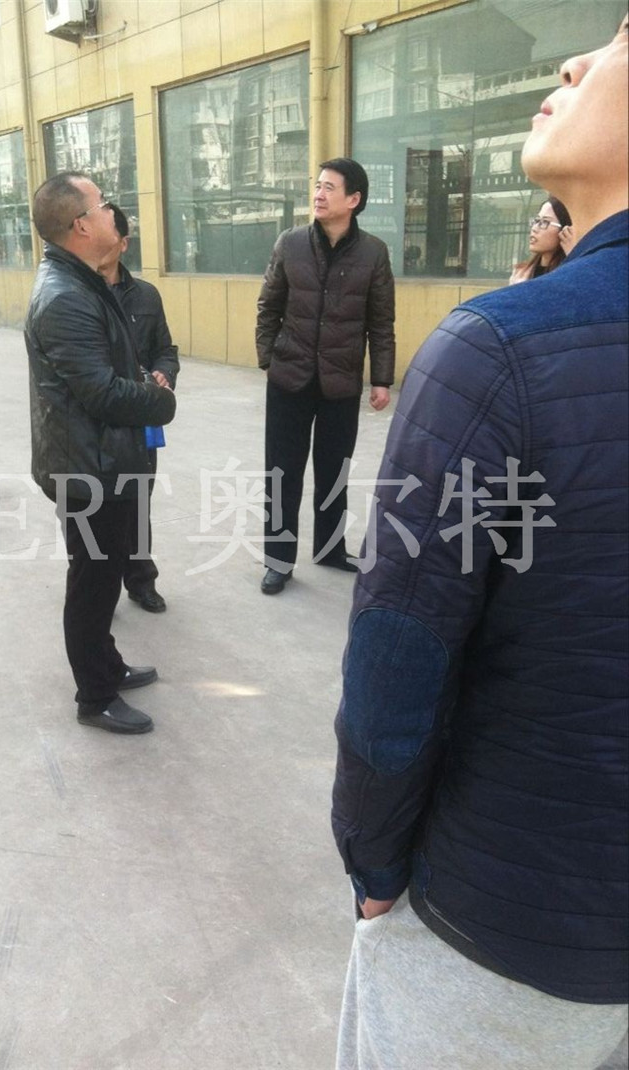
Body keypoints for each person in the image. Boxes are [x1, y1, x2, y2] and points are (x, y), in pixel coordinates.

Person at [333, 17, 628, 1070]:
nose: (573, 62)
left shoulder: (500, 348)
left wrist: (372, 860)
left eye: (622, 36)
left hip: (508, 925)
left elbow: (397, 657)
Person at [25, 173, 176, 735]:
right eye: (104, 205)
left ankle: (107, 665)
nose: (114, 212)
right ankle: (95, 695)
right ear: (82, 226)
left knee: (107, 572)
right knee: (92, 584)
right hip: (86, 470)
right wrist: (160, 400)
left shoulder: (83, 281)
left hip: (104, 460)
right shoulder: (65, 297)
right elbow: (102, 393)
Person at [255, 157, 395, 595]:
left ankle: (330, 549)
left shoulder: (373, 253)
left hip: (340, 381)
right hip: (289, 378)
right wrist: (269, 359)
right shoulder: (290, 243)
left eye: (329, 187)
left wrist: (381, 379)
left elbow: (381, 321)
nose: (318, 194)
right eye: (317, 186)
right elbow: (269, 305)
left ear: (354, 200)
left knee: (335, 471)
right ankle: (278, 561)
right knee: (283, 473)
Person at [97, 204, 179, 614]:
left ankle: (141, 580)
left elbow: (165, 349)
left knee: (137, 502)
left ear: (123, 243)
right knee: (96, 508)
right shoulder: (77, 295)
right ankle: (98, 591)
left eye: (105, 231)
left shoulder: (145, 295)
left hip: (140, 416)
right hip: (97, 418)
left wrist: (165, 374)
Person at [509, 195, 574, 283]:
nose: (534, 228)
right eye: (536, 221)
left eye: (545, 222)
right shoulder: (520, 275)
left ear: (565, 230)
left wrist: (573, 257)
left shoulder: (571, 273)